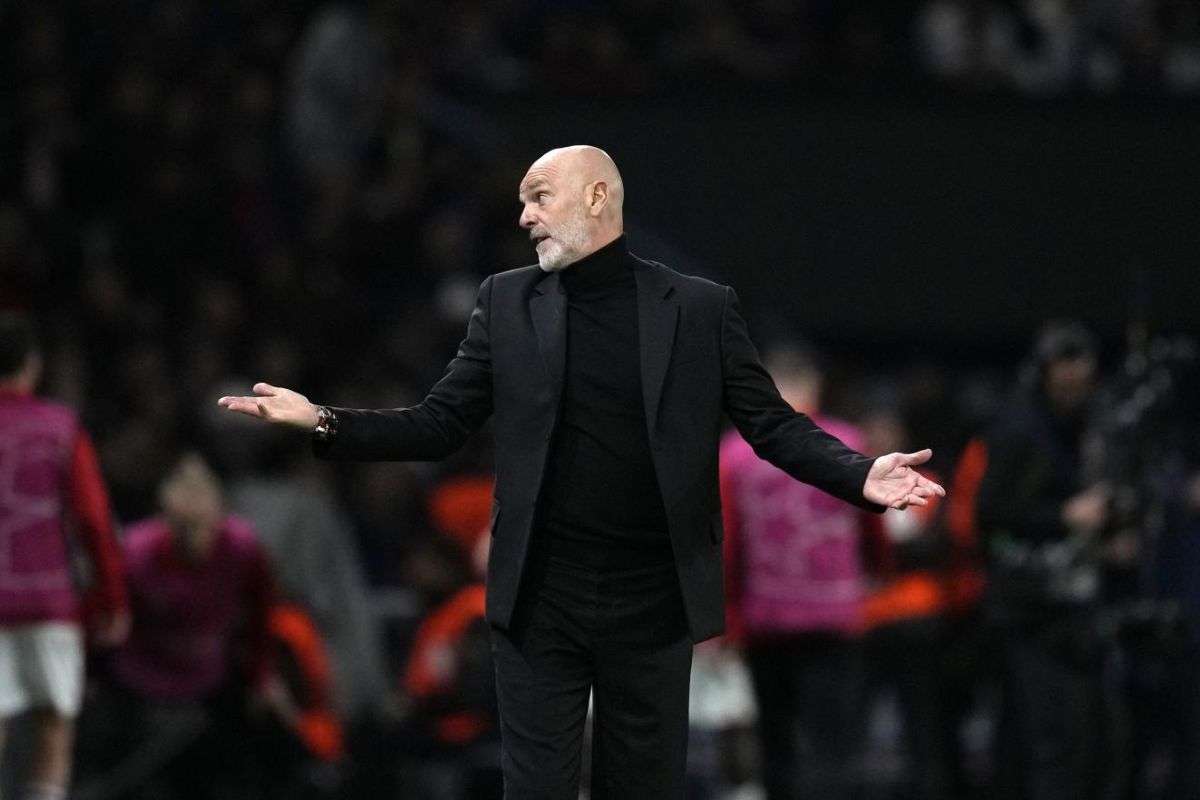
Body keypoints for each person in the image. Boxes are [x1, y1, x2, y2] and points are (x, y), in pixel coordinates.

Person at [218, 144, 945, 798]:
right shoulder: (504, 301)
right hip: (540, 596)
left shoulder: (698, 309)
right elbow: (438, 424)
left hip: (653, 596)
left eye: (540, 196)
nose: (525, 217)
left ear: (597, 196)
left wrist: (858, 474)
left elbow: (771, 424)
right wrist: (324, 420)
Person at [719, 345, 886, 800]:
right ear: (814, 385)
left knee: (777, 742)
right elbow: (875, 527)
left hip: (765, 618)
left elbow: (726, 543)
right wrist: (877, 578)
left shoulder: (734, 453)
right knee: (835, 746)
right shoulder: (849, 442)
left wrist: (727, 617)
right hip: (835, 615)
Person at [976, 321, 1109, 800]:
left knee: (1070, 733)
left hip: (1070, 599)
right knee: (1046, 735)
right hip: (1026, 603)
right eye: (1064, 375)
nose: (1074, 386)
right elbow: (990, 511)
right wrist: (1063, 516)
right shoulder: (1019, 428)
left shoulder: (1086, 426)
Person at [0, 311, 128, 800]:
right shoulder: (60, 427)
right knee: (53, 726)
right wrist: (112, 601)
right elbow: (94, 522)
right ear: (32, 365)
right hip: (48, 601)